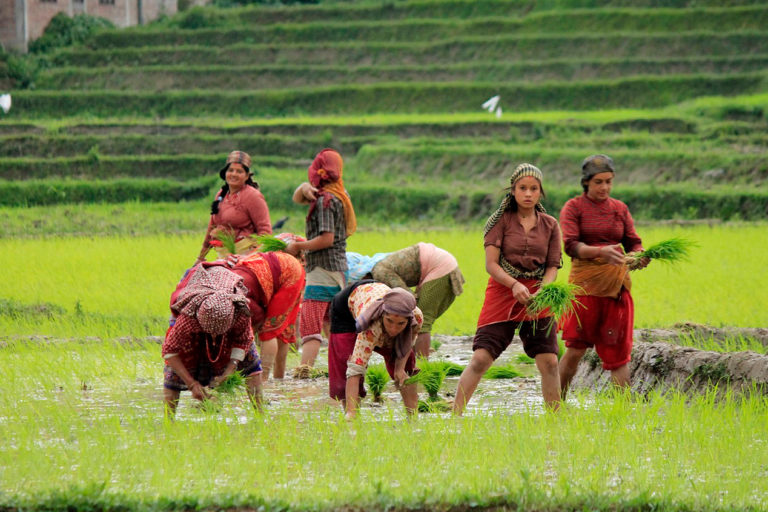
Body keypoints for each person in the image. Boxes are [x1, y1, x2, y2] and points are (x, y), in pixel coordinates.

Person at [453, 163, 562, 414]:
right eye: (522, 188)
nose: (528, 193)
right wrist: (514, 285)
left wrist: (543, 290)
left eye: (534, 189)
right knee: (481, 358)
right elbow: (491, 265)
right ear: (512, 190)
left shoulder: (550, 225)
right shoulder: (500, 221)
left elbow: (553, 266)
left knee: (550, 362)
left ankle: (556, 421)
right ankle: (454, 418)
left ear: (540, 192)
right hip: (503, 291)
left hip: (537, 294)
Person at [557, 155, 649, 398]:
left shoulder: (619, 209)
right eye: (598, 182)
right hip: (585, 288)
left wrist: (639, 256)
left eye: (609, 181)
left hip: (616, 288)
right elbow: (570, 245)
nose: (604, 187)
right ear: (586, 182)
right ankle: (555, 405)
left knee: (618, 355)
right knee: (576, 349)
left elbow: (633, 242)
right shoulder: (574, 208)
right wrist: (600, 252)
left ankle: (623, 413)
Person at [285, 149, 356, 371]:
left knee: (309, 323)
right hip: (337, 268)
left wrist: (297, 246)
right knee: (333, 324)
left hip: (323, 269)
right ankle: (342, 369)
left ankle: (304, 371)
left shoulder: (325, 201)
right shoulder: (339, 194)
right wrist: (304, 187)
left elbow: (326, 239)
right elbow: (298, 197)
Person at [162, 264, 262, 414]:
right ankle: (168, 422)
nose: (214, 337)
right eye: (211, 333)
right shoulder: (189, 316)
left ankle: (261, 414)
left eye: (218, 333)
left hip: (227, 308)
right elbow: (169, 350)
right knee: (178, 367)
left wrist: (230, 369)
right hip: (197, 306)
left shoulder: (240, 312)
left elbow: (243, 341)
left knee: (251, 361)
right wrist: (191, 384)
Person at [328, 281, 423, 419]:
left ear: (408, 320)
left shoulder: (417, 318)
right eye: (389, 321)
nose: (393, 329)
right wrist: (351, 414)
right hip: (347, 309)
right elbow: (356, 368)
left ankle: (413, 417)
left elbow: (407, 345)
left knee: (407, 367)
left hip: (375, 293)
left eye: (400, 324)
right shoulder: (372, 326)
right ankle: (351, 415)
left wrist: (399, 369)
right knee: (345, 362)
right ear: (383, 314)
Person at [371, 243, 465, 358]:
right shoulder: (380, 268)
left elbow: (407, 298)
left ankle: (421, 364)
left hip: (440, 268)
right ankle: (416, 356)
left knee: (421, 319)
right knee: (414, 318)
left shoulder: (380, 272)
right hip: (442, 264)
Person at [228, 247, 305, 382]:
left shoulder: (237, 296)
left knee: (269, 329)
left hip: (289, 274)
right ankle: (278, 378)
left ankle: (263, 378)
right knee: (278, 329)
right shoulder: (229, 290)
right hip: (274, 270)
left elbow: (254, 324)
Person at [196, 151, 272, 264]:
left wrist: (250, 258)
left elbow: (265, 232)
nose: (234, 174)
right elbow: (212, 227)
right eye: (230, 170)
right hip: (223, 257)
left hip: (245, 257)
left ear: (247, 176)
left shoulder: (253, 196)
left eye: (239, 171)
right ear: (225, 173)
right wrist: (200, 257)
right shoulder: (221, 194)